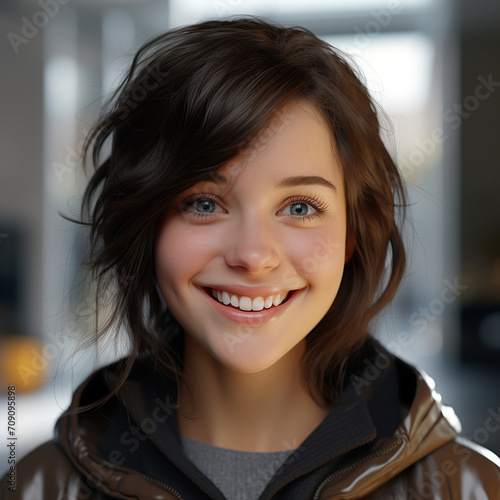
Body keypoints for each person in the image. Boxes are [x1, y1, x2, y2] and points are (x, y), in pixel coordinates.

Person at [3, 17, 499, 500]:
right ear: (147, 225)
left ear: (352, 235)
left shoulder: (470, 487)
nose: (253, 255)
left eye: (300, 207)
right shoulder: (38, 486)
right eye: (203, 203)